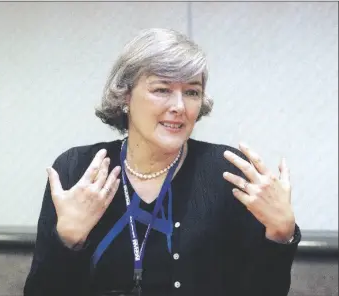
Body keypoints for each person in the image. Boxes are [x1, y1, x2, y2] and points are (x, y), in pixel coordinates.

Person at [24, 28, 301, 296]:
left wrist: (280, 234)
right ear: (125, 96)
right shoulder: (81, 170)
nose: (179, 106)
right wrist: (67, 239)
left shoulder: (227, 172)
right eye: (162, 89)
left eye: (192, 92)